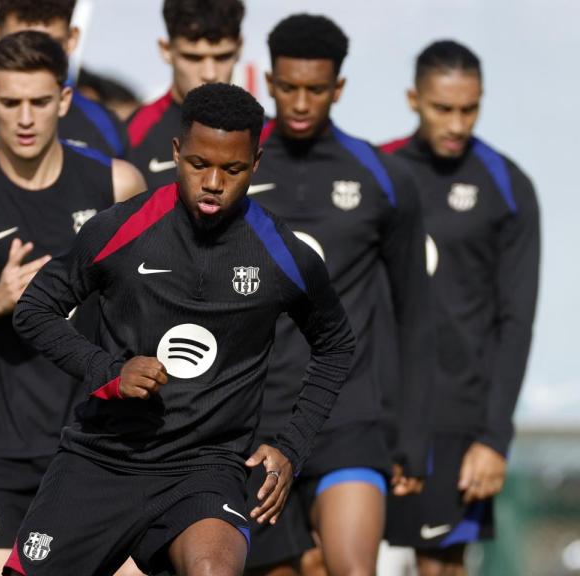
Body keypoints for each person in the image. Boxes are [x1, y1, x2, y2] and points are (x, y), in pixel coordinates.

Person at [4, 82, 356, 576]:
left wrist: (292, 447)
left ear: (255, 163)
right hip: (102, 458)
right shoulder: (119, 229)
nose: (213, 181)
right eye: (197, 164)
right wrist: (109, 371)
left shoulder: (282, 254)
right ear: (176, 153)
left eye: (232, 169)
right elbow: (35, 309)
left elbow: (337, 345)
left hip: (204, 469)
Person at [0, 30, 145, 576]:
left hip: (98, 445)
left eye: (38, 101)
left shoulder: (115, 184)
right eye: (10, 103)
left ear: (63, 99)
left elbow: (153, 305)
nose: (25, 117)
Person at [244, 14, 434, 576]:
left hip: (348, 414)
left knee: (352, 567)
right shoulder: (235, 170)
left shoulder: (384, 177)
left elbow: (415, 313)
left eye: (317, 89)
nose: (301, 102)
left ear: (339, 88)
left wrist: (413, 434)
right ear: (270, 82)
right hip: (258, 418)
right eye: (289, 87)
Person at [380, 40, 540, 576]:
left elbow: (516, 322)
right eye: (442, 108)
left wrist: (494, 439)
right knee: (325, 558)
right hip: (371, 410)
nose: (456, 122)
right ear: (413, 98)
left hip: (456, 415)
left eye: (468, 108)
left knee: (440, 568)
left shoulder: (507, 187)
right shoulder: (378, 172)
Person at [0, 0, 128, 177]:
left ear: (72, 39)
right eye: (18, 44)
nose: (33, 60)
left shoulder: (105, 126)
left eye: (50, 46)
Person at [127, 0, 245, 192]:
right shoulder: (131, 135)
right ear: (166, 50)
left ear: (239, 48)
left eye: (222, 57)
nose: (210, 73)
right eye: (193, 57)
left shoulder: (262, 134)